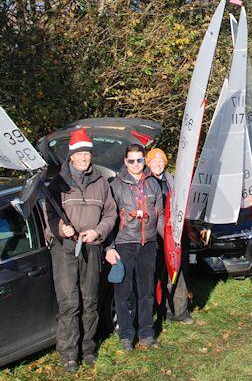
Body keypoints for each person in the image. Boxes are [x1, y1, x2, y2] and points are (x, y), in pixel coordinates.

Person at [44, 128, 117, 372]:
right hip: (65, 249)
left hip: (91, 247)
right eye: (79, 154)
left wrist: (98, 231)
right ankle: (68, 354)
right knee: (69, 303)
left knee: (90, 301)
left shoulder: (101, 182)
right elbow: (50, 215)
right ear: (71, 156)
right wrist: (60, 228)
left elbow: (110, 213)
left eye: (87, 153)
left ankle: (88, 349)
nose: (84, 158)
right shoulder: (58, 184)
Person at [106, 144, 164, 351]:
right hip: (124, 243)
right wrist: (109, 247)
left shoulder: (153, 184)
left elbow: (160, 215)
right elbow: (109, 218)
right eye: (131, 160)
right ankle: (126, 334)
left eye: (139, 160)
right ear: (125, 161)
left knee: (146, 290)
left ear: (144, 161)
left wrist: (166, 241)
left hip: (148, 243)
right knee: (123, 291)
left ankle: (147, 332)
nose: (136, 164)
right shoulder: (115, 185)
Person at [146, 148, 193, 325]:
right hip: (154, 235)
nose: (158, 164)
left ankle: (181, 310)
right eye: (154, 161)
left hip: (173, 234)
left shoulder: (171, 180)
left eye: (160, 161)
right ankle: (163, 310)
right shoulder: (145, 181)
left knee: (177, 271)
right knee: (158, 275)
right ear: (148, 164)